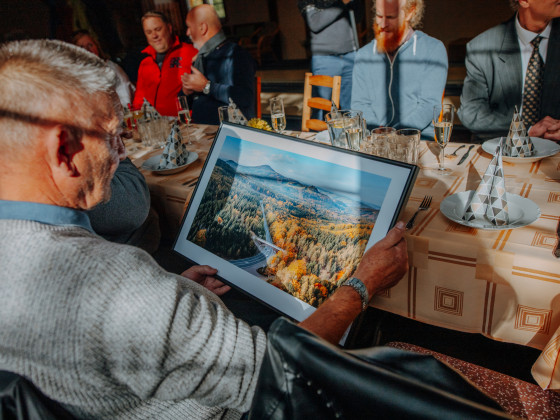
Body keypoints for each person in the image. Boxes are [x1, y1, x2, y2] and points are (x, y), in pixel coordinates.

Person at [0, 39, 407, 419]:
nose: (123, 153)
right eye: (113, 136)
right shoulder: (122, 288)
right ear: (63, 149)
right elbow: (278, 371)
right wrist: (361, 285)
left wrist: (176, 291)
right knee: (376, 344)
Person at [458, 0, 560, 141]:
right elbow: (472, 113)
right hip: (503, 150)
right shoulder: (481, 48)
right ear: (524, 1)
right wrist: (527, 129)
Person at [351, 0, 448, 139]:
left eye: (390, 17)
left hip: (418, 139)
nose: (383, 24)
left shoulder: (433, 50)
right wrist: (377, 134)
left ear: (410, 12)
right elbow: (359, 104)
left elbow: (429, 105)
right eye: (379, 16)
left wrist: (395, 134)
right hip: (375, 139)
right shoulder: (364, 55)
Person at [181, 4, 256, 125]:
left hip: (229, 135)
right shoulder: (201, 58)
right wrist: (186, 91)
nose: (187, 32)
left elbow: (244, 98)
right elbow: (188, 102)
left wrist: (206, 87)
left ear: (202, 28)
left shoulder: (235, 55)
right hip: (201, 131)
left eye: (189, 27)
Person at [298, 0, 362, 115]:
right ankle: (321, 133)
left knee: (353, 107)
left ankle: (350, 133)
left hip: (350, 56)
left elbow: (357, 18)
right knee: (322, 109)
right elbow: (315, 23)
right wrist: (341, 3)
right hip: (325, 59)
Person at [133, 11, 197, 116]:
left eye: (158, 29)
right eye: (149, 32)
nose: (154, 35)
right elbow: (138, 101)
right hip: (157, 127)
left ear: (169, 28)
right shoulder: (145, 64)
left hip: (188, 124)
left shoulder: (191, 53)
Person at [72, 29, 135, 108]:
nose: (87, 50)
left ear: (97, 46)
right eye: (81, 47)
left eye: (90, 45)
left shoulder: (111, 68)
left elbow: (126, 101)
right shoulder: (74, 75)